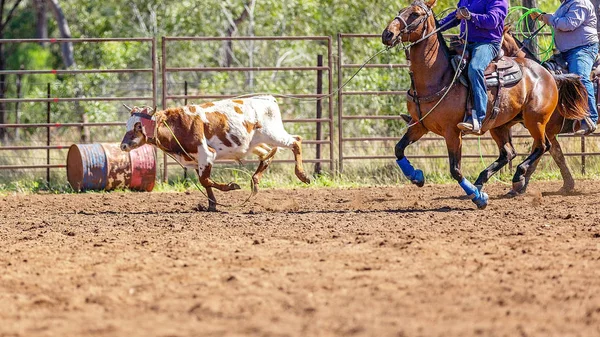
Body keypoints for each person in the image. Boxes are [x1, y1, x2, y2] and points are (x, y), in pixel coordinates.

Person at [439, 0, 509, 134]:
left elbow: (492, 21)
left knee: (475, 68)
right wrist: (436, 26)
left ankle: (478, 117)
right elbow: (455, 16)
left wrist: (470, 16)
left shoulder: (498, 1)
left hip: (487, 44)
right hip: (466, 42)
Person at [532, 0, 599, 135]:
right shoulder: (568, 3)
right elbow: (561, 20)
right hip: (566, 51)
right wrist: (543, 17)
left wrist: (548, 19)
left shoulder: (580, 3)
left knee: (579, 77)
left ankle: (590, 118)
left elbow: (568, 24)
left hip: (583, 49)